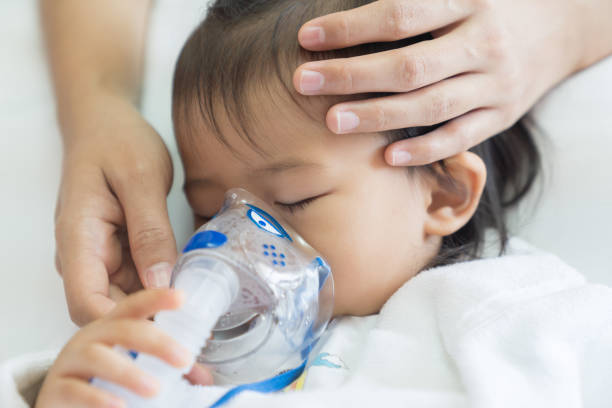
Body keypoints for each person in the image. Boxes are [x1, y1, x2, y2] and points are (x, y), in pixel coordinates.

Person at [10, 1, 609, 407]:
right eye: (208, 209)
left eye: (294, 200)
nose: (237, 238)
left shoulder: (513, 318)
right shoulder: (182, 346)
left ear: (445, 191)